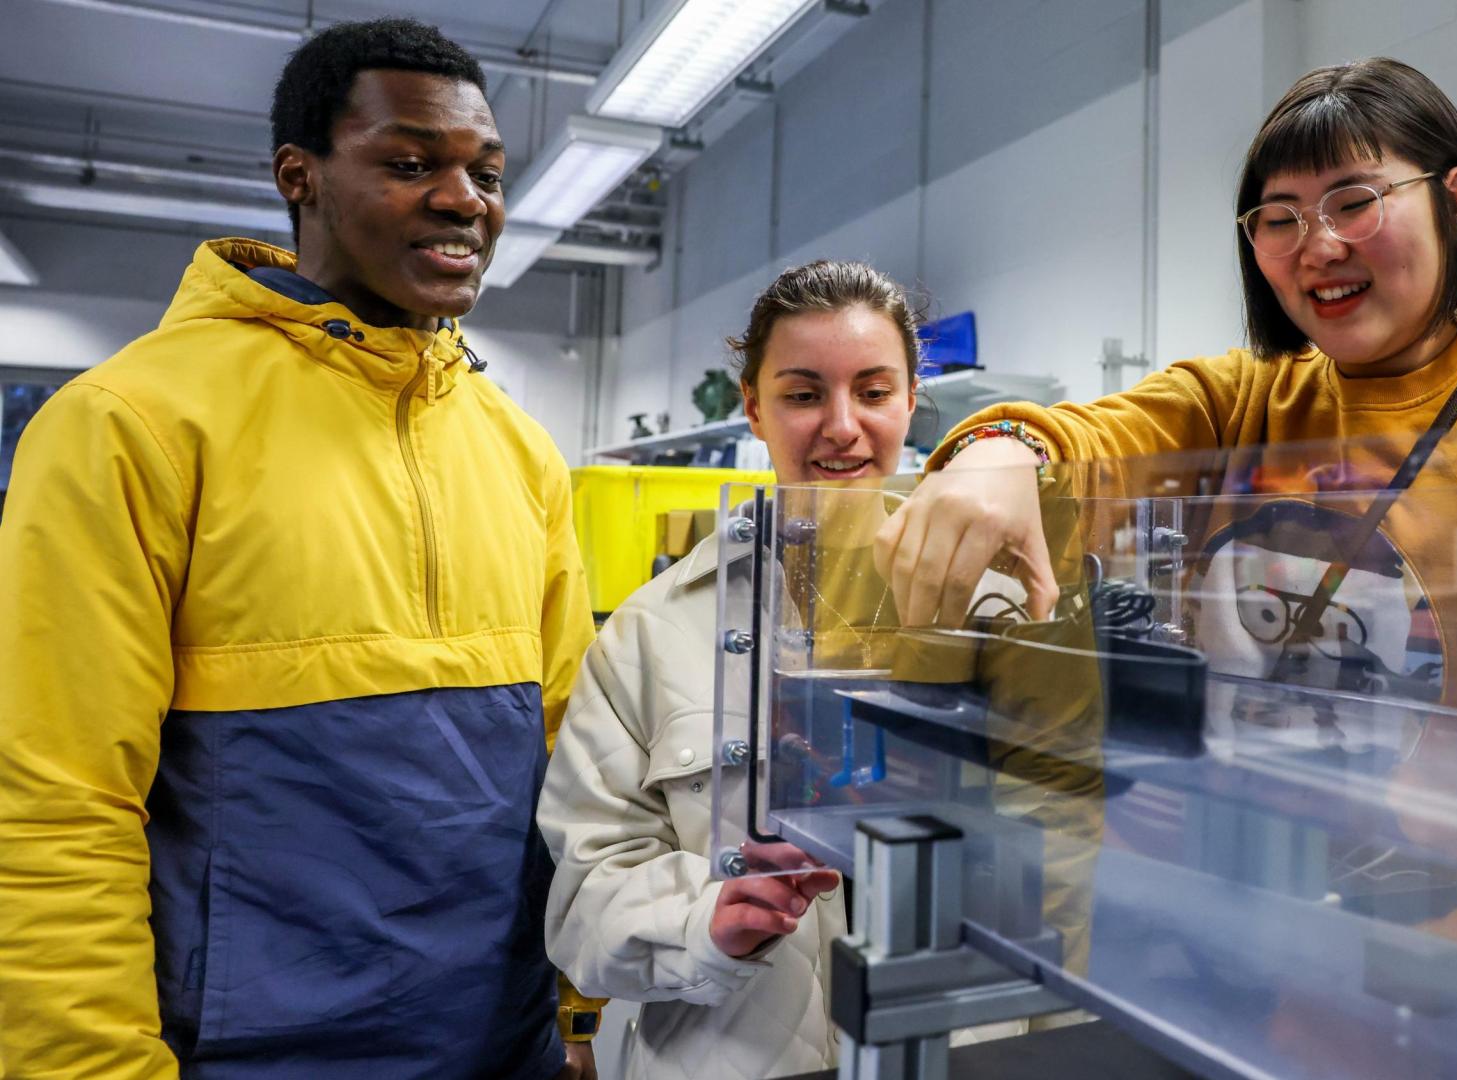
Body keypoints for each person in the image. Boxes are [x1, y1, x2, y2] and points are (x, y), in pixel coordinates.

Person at [875, 57, 1457, 755]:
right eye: (1279, 218)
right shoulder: (1246, 401)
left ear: (1456, 204)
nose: (1315, 246)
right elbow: (1090, 438)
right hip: (1256, 919)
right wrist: (997, 450)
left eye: (1353, 201)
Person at [0, 19, 599, 1079]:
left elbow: (572, 770)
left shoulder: (518, 452)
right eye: (412, 164)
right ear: (300, 176)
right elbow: (53, 800)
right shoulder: (133, 424)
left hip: (504, 1048)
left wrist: (581, 1009)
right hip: (253, 1059)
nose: (465, 200)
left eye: (486, 172)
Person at [541, 260, 1046, 1080]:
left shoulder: (999, 614)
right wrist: (708, 919)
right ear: (754, 406)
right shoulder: (652, 631)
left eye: (874, 392)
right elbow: (582, 903)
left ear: (913, 400)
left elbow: (1066, 862)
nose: (842, 427)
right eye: (804, 394)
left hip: (957, 1053)